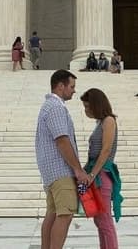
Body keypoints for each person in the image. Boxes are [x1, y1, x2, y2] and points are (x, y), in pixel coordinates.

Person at [35, 70, 88, 249]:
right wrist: (78, 170)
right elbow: (62, 140)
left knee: (52, 214)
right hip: (61, 171)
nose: (74, 91)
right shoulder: (56, 107)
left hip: (51, 172)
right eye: (71, 87)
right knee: (64, 215)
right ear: (60, 86)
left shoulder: (47, 106)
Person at [81, 88, 123, 249]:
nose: (86, 110)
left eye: (87, 106)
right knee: (99, 220)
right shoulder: (100, 122)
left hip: (102, 174)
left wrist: (92, 174)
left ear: (96, 105)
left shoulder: (109, 121)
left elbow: (105, 150)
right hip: (95, 173)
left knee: (105, 219)